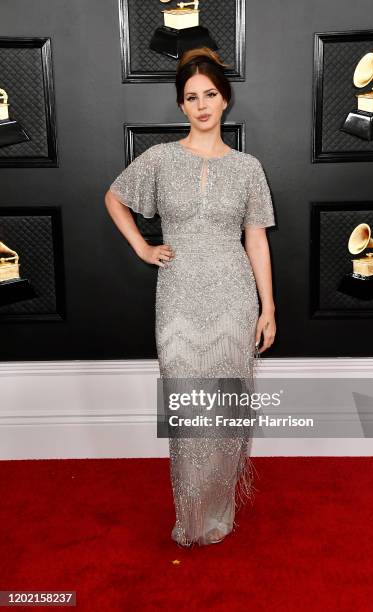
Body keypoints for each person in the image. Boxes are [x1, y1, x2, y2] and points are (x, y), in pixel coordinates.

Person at [105, 46, 277, 547]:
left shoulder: (248, 168)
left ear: (225, 100)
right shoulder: (158, 160)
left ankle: (217, 513)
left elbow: (257, 239)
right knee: (186, 409)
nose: (201, 105)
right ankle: (190, 517)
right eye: (191, 97)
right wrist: (142, 246)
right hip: (177, 296)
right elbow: (114, 197)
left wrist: (268, 308)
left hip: (233, 295)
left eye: (210, 95)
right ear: (182, 106)